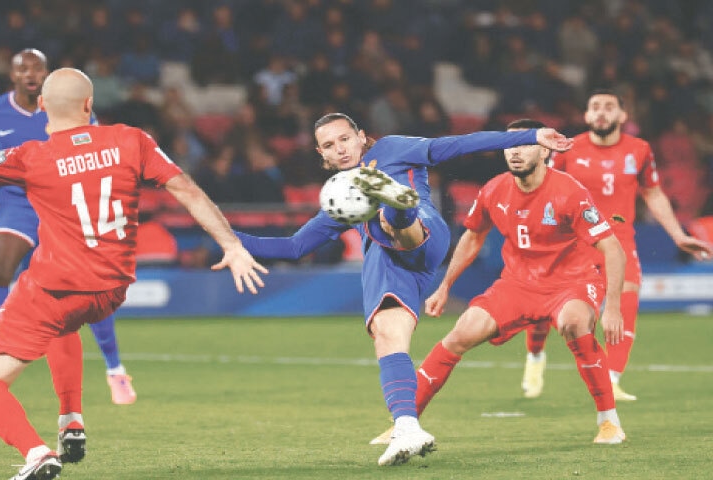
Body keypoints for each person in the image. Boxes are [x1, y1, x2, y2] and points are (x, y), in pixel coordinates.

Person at [0, 70, 268, 480]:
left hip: (54, 289)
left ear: (42, 106)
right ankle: (71, 421)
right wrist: (232, 245)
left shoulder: (31, 156)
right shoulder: (130, 140)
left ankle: (37, 454)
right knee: (63, 328)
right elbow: (186, 188)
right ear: (89, 104)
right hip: (110, 291)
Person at [233, 112, 573, 466]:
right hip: (393, 262)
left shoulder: (394, 148)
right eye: (330, 146)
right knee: (387, 335)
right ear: (324, 157)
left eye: (345, 139)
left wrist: (532, 135)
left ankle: (396, 206)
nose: (341, 149)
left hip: (425, 231)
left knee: (382, 223)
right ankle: (408, 428)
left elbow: (455, 145)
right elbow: (294, 248)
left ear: (362, 137)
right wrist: (224, 237)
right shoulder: (339, 202)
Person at [371, 118, 628, 448]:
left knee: (575, 323)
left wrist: (614, 307)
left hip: (571, 283)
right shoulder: (494, 189)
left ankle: (608, 420)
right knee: (460, 334)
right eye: (509, 145)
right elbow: (473, 237)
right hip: (517, 285)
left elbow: (612, 249)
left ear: (544, 149)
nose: (515, 152)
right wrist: (445, 285)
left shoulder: (570, 193)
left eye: (523, 144)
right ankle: (403, 427)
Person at [0, 48, 140, 405]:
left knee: (89, 287)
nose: (31, 74)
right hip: (17, 204)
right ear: (12, 75)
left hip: (63, 204)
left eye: (38, 68)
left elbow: (92, 153)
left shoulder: (64, 108)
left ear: (47, 75)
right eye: (24, 69)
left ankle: (115, 369)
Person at [520, 90, 713, 401]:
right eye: (595, 107)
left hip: (619, 239)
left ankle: (612, 379)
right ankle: (535, 356)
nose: (601, 112)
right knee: (545, 309)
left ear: (624, 116)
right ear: (585, 116)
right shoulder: (569, 148)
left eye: (609, 107)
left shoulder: (639, 150)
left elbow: (653, 193)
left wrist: (678, 235)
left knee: (626, 301)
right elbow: (545, 188)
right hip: (573, 239)